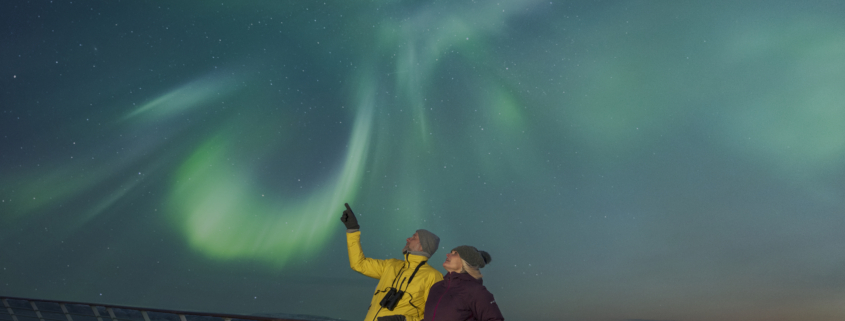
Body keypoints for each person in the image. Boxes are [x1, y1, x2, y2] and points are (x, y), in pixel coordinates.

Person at [341, 203, 444, 321]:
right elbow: (359, 264)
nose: (408, 239)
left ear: (422, 247)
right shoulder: (391, 265)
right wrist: (352, 230)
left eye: (413, 237)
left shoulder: (433, 276)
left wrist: (404, 320)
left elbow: (435, 315)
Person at [424, 245, 504, 321]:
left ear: (465, 261)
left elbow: (494, 319)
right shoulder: (436, 287)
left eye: (455, 254)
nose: (447, 254)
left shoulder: (476, 291)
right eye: (451, 252)